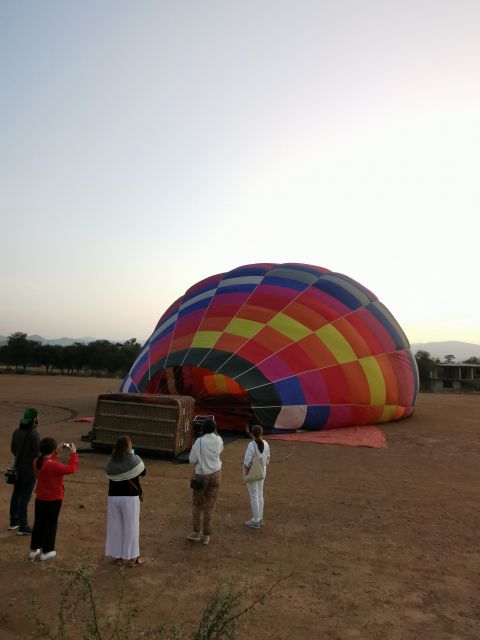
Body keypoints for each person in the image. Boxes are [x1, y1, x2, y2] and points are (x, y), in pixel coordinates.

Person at [29, 438, 79, 561]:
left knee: (39, 523)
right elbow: (71, 469)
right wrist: (73, 453)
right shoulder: (53, 465)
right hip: (54, 499)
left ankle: (34, 550)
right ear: (51, 449)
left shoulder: (37, 461)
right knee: (51, 524)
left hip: (41, 497)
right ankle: (47, 550)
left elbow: (48, 462)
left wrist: (56, 452)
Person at [105, 436, 145, 566]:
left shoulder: (111, 462)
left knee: (115, 526)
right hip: (130, 498)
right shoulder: (135, 459)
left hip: (113, 497)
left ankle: (117, 557)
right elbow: (143, 472)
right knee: (131, 527)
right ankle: (132, 558)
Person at [188, 417, 224, 545]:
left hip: (202, 475)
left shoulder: (199, 441)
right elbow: (221, 451)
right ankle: (207, 534)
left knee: (198, 504)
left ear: (203, 428)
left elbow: (192, 459)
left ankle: (196, 532)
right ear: (214, 428)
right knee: (210, 505)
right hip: (216, 473)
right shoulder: (218, 439)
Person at [9, 407, 41, 535]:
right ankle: (23, 526)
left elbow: (13, 449)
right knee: (25, 497)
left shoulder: (16, 432)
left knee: (16, 494)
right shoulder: (34, 434)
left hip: (18, 467)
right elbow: (37, 453)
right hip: (29, 470)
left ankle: (14, 521)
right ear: (34, 419)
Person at [243, 425, 270, 529]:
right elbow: (268, 459)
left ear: (252, 434)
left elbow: (247, 461)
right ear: (261, 433)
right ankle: (259, 518)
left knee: (254, 495)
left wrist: (246, 471)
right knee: (260, 493)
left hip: (253, 472)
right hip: (262, 471)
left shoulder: (251, 445)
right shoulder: (266, 444)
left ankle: (256, 520)